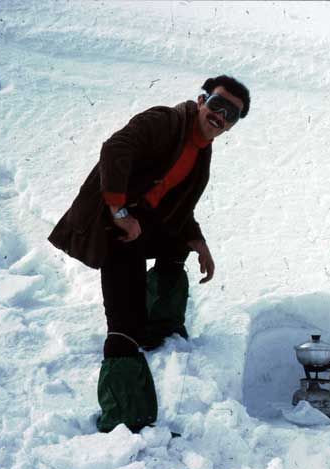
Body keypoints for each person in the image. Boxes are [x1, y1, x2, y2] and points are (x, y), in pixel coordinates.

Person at [48, 75, 251, 433]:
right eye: (217, 105)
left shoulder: (200, 151)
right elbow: (115, 149)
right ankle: (126, 420)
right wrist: (119, 211)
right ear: (201, 100)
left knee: (176, 245)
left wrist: (198, 241)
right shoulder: (166, 121)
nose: (220, 116)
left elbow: (178, 208)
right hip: (111, 227)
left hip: (139, 222)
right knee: (123, 320)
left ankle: (159, 327)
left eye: (231, 114)